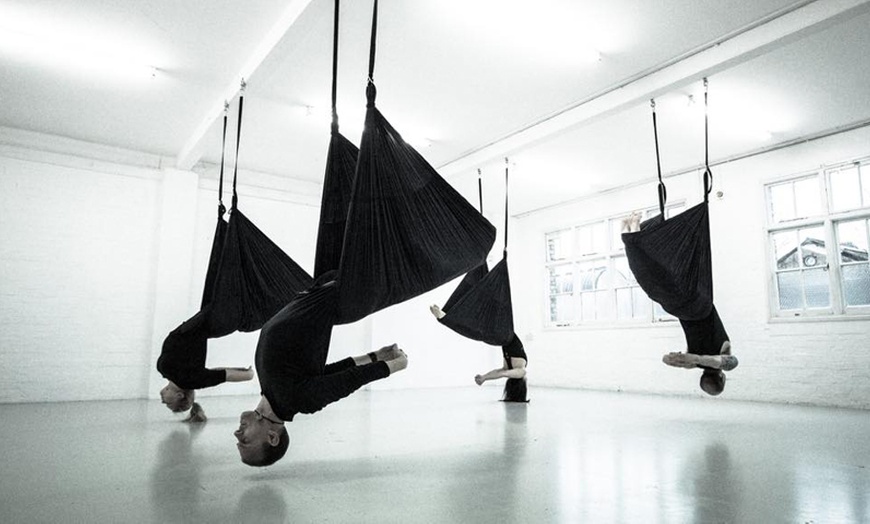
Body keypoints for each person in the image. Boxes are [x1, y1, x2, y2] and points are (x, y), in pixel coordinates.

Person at [235, 274, 408, 467]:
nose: (237, 433)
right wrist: (395, 366)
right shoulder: (297, 400)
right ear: (272, 437)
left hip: (323, 287)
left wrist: (375, 356)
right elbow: (346, 380)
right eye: (245, 441)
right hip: (338, 293)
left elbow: (329, 372)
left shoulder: (274, 391)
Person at [622, 211, 738, 396]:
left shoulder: (695, 362)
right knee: (652, 277)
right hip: (678, 307)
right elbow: (718, 362)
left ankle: (632, 232)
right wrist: (691, 359)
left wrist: (684, 360)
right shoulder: (707, 361)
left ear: (723, 378)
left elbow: (675, 360)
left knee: (655, 276)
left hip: (694, 304)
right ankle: (631, 231)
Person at [157, 309, 255, 420]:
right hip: (207, 322)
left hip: (198, 322)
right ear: (179, 395)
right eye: (168, 404)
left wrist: (242, 370)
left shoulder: (167, 372)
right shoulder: (191, 381)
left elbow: (216, 372)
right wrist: (248, 373)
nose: (162, 401)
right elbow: (225, 375)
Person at [430, 305, 528, 402]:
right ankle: (445, 318)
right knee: (476, 328)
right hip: (505, 335)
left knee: (475, 330)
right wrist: (491, 377)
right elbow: (509, 373)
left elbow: (499, 372)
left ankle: (445, 317)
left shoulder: (509, 369)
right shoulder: (520, 372)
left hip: (501, 338)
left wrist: (484, 377)